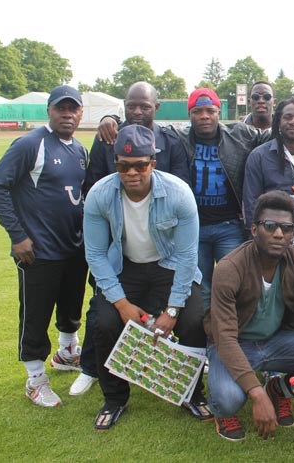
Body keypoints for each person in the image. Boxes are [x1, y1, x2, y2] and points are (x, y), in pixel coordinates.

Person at [83, 125, 207, 430]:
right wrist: (121, 303)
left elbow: (188, 256)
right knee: (104, 322)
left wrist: (172, 310)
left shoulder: (178, 193)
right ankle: (115, 399)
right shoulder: (100, 194)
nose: (131, 173)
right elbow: (95, 254)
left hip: (170, 265)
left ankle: (192, 393)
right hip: (126, 267)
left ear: (153, 162)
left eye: (140, 165)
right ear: (115, 164)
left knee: (193, 320)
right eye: (123, 166)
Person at [70, 81, 190, 397]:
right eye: (131, 105)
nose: (132, 172)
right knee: (103, 311)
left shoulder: (172, 145)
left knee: (192, 310)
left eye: (144, 106)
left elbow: (181, 190)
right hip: (118, 246)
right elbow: (95, 186)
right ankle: (95, 372)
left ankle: (190, 383)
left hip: (165, 248)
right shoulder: (107, 141)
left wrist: (173, 310)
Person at [205, 191, 294, 441]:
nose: (279, 234)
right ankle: (224, 411)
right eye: (270, 226)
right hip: (234, 344)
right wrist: (256, 394)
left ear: (293, 233)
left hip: (276, 341)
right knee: (228, 400)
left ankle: (278, 389)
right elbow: (225, 336)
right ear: (254, 229)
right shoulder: (229, 268)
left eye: (287, 228)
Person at [0, 85, 88, 407]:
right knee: (36, 315)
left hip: (73, 247)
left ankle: (67, 353)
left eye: (73, 108)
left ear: (81, 113)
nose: (67, 114)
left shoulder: (80, 150)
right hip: (38, 251)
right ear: (49, 110)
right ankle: (35, 379)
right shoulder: (31, 144)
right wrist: (18, 236)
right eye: (61, 108)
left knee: (71, 306)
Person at [176, 88, 269, 309]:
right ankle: (207, 328)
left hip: (229, 226)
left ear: (219, 113)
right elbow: (146, 127)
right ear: (189, 115)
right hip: (194, 228)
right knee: (200, 288)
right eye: (197, 112)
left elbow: (274, 135)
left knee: (234, 283)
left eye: (210, 111)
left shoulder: (240, 135)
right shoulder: (178, 138)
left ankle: (231, 327)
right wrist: (110, 119)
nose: (204, 116)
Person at [243, 98, 294, 294]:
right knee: (272, 297)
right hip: (271, 242)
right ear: (278, 122)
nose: (293, 122)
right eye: (287, 117)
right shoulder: (259, 156)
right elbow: (251, 203)